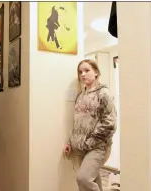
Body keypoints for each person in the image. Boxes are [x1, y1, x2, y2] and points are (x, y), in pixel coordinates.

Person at [63, 59, 116, 191]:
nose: (83, 74)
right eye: (80, 72)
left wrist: (89, 143)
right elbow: (78, 122)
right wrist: (70, 142)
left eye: (87, 70)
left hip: (98, 147)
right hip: (81, 147)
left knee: (83, 179)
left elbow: (110, 124)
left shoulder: (103, 93)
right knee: (93, 181)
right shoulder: (81, 95)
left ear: (96, 72)